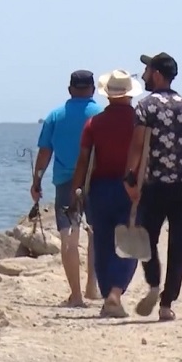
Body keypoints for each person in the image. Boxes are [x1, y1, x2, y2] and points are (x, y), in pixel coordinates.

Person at [124, 52, 182, 321]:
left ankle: (153, 283)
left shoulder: (146, 106)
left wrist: (129, 177)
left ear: (158, 74)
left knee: (146, 241)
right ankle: (167, 303)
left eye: (148, 70)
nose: (145, 75)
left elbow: (138, 146)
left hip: (155, 185)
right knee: (178, 244)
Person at [71, 69, 144, 318]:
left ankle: (107, 297)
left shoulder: (94, 123)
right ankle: (115, 292)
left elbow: (83, 159)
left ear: (108, 95)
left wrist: (75, 189)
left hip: (100, 188)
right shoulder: (139, 122)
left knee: (102, 243)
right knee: (129, 242)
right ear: (129, 94)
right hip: (130, 187)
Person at [32, 69, 104, 307]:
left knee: (69, 238)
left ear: (70, 89)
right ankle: (92, 287)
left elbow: (44, 153)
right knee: (95, 233)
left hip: (65, 182)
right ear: (93, 90)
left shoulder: (55, 116)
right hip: (96, 181)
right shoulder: (101, 115)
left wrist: (36, 181)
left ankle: (76, 295)